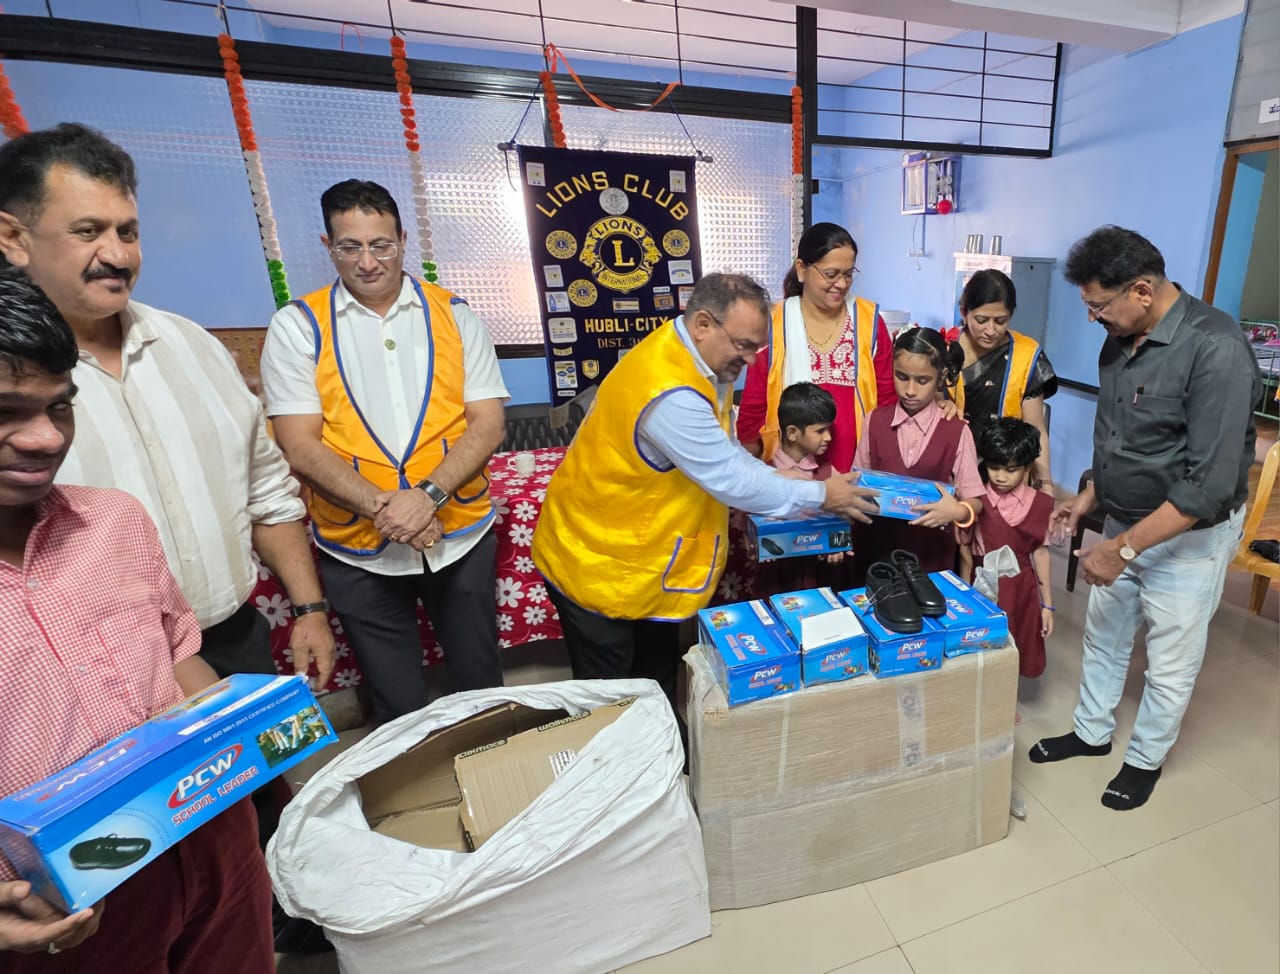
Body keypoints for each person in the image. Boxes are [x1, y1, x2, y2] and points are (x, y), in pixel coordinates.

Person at [0, 268, 273, 972]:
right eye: (5, 411)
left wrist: (241, 740)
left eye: (59, 408)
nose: (41, 439)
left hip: (209, 836)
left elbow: (180, 654)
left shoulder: (114, 522)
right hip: (60, 900)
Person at [0, 123, 335, 691]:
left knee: (275, 780)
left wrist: (309, 610)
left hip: (232, 638)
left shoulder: (194, 346)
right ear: (13, 238)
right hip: (94, 677)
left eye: (127, 231)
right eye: (88, 231)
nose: (117, 254)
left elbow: (266, 495)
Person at [533, 273, 880, 707]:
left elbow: (723, 447)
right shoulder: (668, 392)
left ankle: (663, 747)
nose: (752, 361)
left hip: (643, 561)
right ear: (703, 323)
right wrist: (821, 494)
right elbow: (728, 478)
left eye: (757, 347)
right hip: (603, 564)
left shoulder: (693, 355)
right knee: (612, 699)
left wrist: (784, 479)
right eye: (744, 346)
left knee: (655, 681)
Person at [262, 179, 508, 726]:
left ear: (402, 240)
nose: (368, 261)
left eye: (381, 245)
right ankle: (415, 800)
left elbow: (488, 424)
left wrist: (427, 498)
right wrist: (387, 508)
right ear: (328, 247)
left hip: (458, 534)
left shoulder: (456, 314)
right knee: (395, 702)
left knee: (481, 683)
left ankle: (498, 779)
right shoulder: (297, 326)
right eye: (350, 247)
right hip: (356, 545)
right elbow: (298, 445)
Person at [1032, 225, 1259, 811]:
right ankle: (1091, 733)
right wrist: (1090, 498)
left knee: (1170, 659)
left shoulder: (1216, 348)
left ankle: (1145, 760)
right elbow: (1118, 440)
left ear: (1140, 289)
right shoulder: (1119, 339)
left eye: (1097, 305)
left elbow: (1205, 486)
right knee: (1106, 638)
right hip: (1123, 522)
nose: (1092, 318)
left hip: (1187, 539)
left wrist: (1122, 550)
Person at [737, 223, 896, 472]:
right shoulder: (774, 322)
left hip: (858, 470)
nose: (842, 284)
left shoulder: (869, 320)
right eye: (831, 274)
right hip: (789, 474)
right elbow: (754, 408)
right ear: (802, 269)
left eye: (848, 274)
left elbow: (887, 400)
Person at [851, 326, 985, 580]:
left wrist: (957, 511)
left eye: (922, 381)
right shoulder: (875, 421)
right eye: (901, 377)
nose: (910, 390)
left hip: (931, 561)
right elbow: (858, 482)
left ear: (940, 376)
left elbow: (976, 500)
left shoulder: (956, 431)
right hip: (875, 557)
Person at [961, 418, 1055, 679]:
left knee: (1015, 645)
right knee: (980, 647)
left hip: (1021, 587)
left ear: (1026, 467)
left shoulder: (1042, 504)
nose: (1000, 477)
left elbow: (1041, 553)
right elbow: (965, 551)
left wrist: (1047, 606)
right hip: (981, 584)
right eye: (993, 467)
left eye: (1011, 469)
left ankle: (1004, 699)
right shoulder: (975, 499)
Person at [952, 269, 1058, 490]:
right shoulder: (944, 350)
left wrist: (1045, 481)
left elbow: (1035, 427)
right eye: (981, 320)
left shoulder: (1026, 356)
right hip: (950, 469)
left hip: (1006, 477)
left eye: (1001, 321)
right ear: (964, 312)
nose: (991, 330)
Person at [770, 381, 835, 481]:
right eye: (820, 431)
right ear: (792, 433)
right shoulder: (765, 474)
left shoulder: (829, 474)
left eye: (828, 428)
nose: (828, 437)